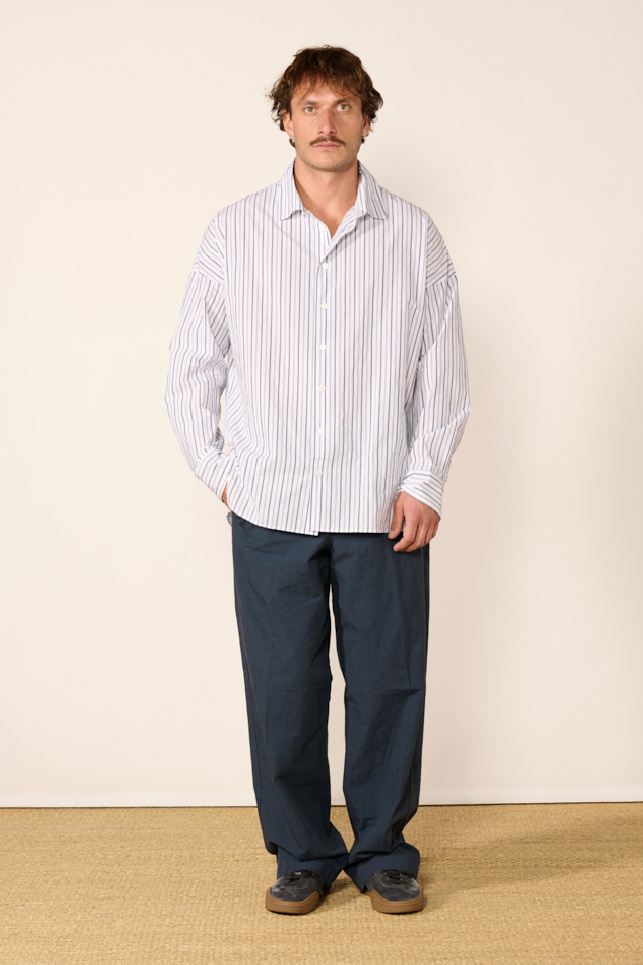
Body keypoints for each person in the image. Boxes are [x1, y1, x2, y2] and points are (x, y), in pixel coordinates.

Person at [166, 45, 470, 916]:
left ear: (366, 119)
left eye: (343, 105)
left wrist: (424, 480)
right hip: (271, 510)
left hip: (383, 506)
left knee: (388, 684)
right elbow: (190, 370)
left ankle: (383, 851)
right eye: (309, 105)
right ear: (285, 120)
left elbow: (441, 374)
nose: (326, 121)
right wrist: (227, 474)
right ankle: (300, 853)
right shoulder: (234, 232)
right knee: (282, 690)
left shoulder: (413, 236)